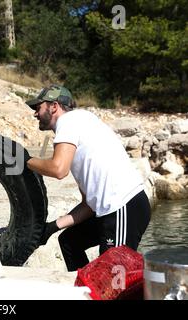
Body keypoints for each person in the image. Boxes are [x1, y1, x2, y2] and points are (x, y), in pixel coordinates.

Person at [23, 84, 151, 271]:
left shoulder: (69, 121)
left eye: (38, 107)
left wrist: (25, 161)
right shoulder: (79, 126)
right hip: (114, 209)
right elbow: (89, 205)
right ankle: (85, 290)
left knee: (114, 283)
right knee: (69, 241)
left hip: (123, 208)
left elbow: (58, 169)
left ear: (54, 106)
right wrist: (52, 227)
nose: (35, 113)